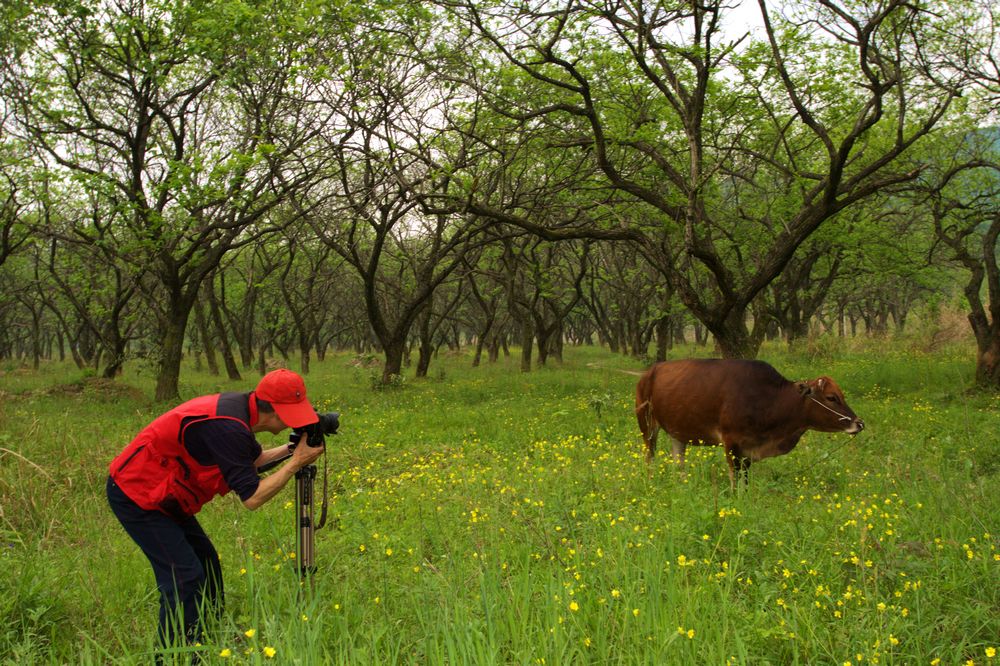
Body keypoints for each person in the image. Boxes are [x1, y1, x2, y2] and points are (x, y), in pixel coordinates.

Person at [106, 368, 325, 652]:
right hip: (137, 494)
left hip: (166, 496)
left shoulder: (240, 413)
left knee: (206, 562)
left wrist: (290, 450)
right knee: (184, 577)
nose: (292, 423)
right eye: (291, 415)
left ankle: (207, 638)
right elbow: (252, 498)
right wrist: (296, 463)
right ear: (273, 410)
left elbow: (253, 461)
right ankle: (174, 655)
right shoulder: (228, 427)